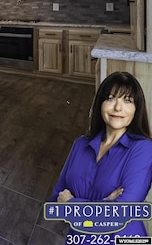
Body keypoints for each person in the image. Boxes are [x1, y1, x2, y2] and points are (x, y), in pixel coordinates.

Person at [50, 71, 152, 241]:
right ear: (100, 104)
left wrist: (71, 204)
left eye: (127, 100)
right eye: (111, 98)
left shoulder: (144, 149)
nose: (118, 107)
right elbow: (55, 201)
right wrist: (104, 205)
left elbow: (120, 215)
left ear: (137, 108)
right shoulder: (80, 144)